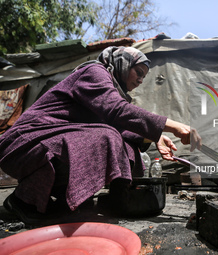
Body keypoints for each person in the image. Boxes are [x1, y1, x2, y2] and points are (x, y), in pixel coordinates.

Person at [0, 46, 201, 224]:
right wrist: (172, 126)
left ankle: (65, 199)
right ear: (122, 63)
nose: (140, 81)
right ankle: (21, 201)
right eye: (138, 73)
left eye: (143, 77)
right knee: (107, 137)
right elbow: (116, 111)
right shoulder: (94, 72)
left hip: (45, 141)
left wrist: (154, 137)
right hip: (23, 142)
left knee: (125, 144)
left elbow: (120, 124)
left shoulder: (108, 87)